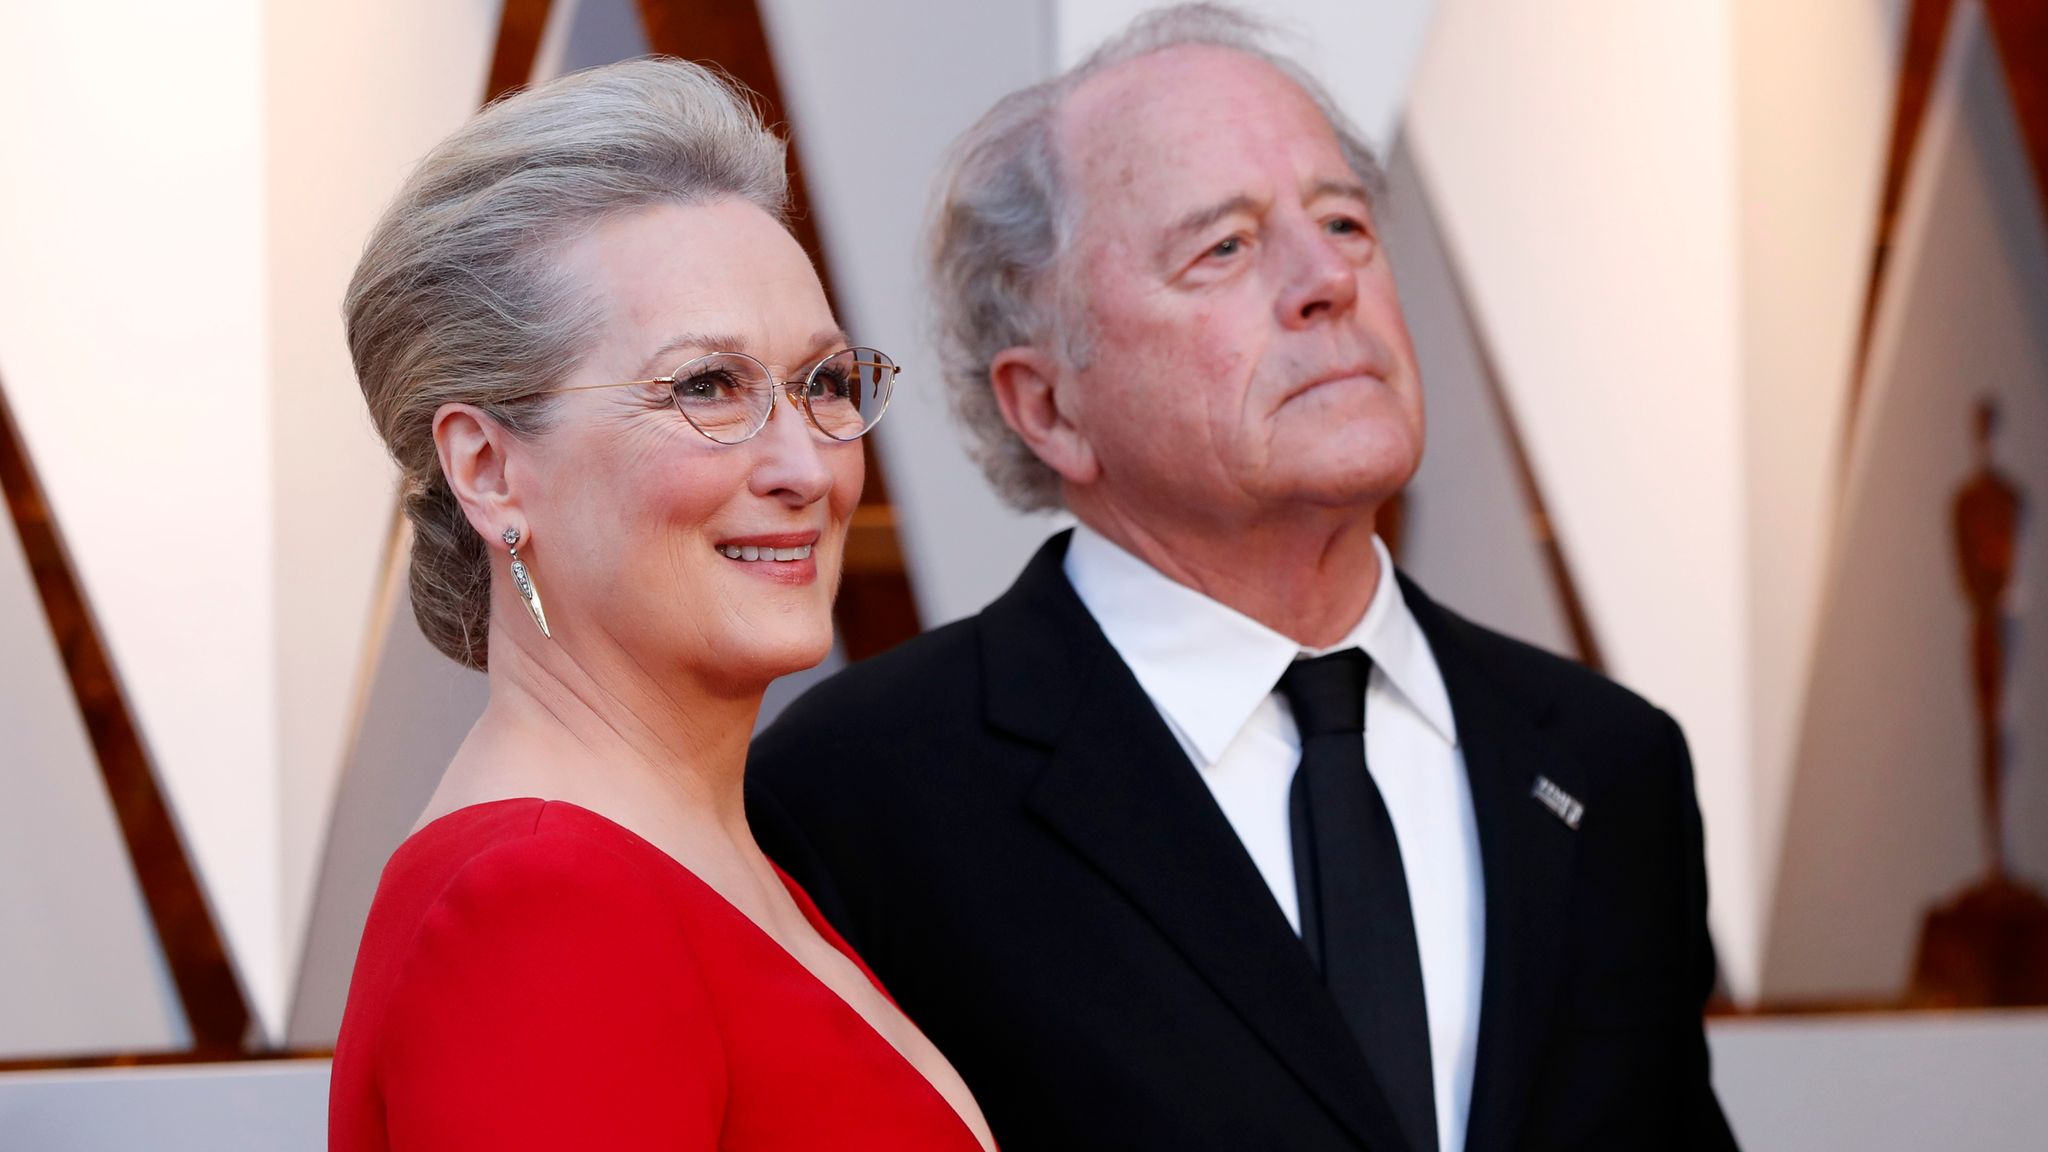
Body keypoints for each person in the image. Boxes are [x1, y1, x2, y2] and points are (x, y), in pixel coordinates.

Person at [748, 6, 1737, 1151]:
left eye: (1344, 221)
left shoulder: (1607, 766)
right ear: (1050, 405)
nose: (1326, 279)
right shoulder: (862, 798)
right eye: (1222, 246)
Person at [327, 58, 994, 1152]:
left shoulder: (710, 862)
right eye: (706, 387)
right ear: (489, 471)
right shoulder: (540, 905)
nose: (806, 468)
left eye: (823, 384)